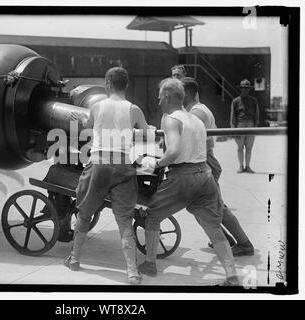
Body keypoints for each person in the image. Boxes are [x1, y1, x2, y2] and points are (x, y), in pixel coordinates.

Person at [137, 78, 239, 286]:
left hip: (183, 176)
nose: (158, 102)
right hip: (205, 175)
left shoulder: (171, 119)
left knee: (153, 214)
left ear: (166, 97)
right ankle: (232, 276)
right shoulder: (196, 120)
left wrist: (154, 164)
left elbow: (173, 151)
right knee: (213, 227)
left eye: (159, 98)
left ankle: (150, 264)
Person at [64, 67, 153, 285]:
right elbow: (148, 133)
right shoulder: (134, 109)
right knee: (124, 220)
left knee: (85, 213)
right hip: (123, 165)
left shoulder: (97, 106)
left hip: (99, 164)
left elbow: (87, 125)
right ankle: (132, 272)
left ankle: (74, 259)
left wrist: (79, 118)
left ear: (107, 83)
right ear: (127, 85)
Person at [182, 77, 254, 256]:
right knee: (199, 206)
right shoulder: (196, 109)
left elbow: (195, 144)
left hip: (204, 161)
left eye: (177, 93)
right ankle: (223, 238)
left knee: (216, 207)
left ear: (187, 93)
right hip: (203, 161)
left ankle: (244, 244)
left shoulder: (196, 113)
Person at [230, 79, 260, 173]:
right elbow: (232, 117)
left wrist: (255, 127)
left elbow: (256, 114)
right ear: (241, 89)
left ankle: (247, 166)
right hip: (240, 126)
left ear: (249, 89)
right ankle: (240, 166)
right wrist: (233, 130)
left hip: (251, 125)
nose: (245, 90)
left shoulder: (254, 101)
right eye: (243, 88)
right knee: (240, 148)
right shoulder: (235, 101)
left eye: (247, 88)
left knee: (249, 148)